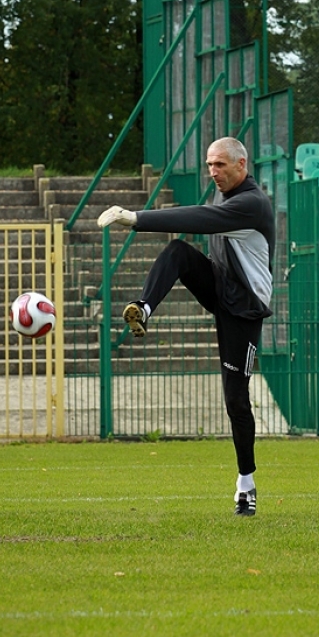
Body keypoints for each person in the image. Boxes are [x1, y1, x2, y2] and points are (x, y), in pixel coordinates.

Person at [97, 137, 276, 517]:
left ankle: (246, 483)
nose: (213, 172)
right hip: (219, 285)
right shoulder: (224, 195)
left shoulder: (251, 203)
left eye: (220, 165)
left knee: (235, 400)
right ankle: (143, 309)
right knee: (178, 251)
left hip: (244, 307)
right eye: (210, 164)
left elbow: (201, 219)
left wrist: (137, 218)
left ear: (241, 164)